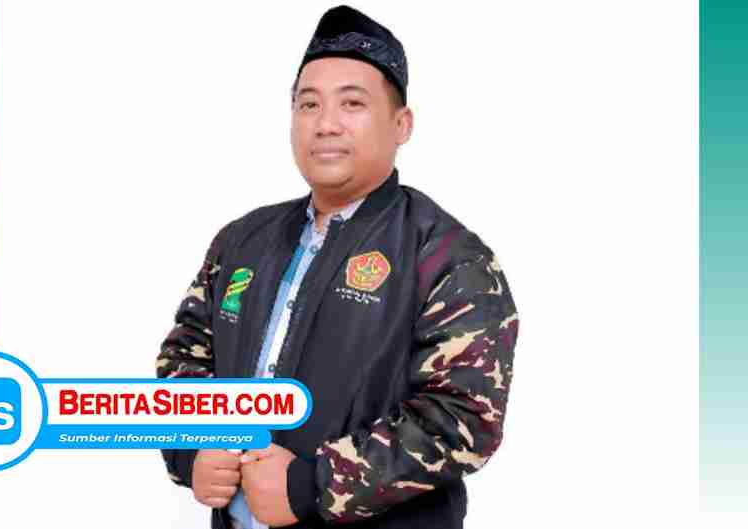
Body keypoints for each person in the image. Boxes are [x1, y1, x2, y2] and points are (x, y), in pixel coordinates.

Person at [155, 5, 519, 529]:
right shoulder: (241, 241)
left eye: (353, 103)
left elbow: (463, 418)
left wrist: (310, 485)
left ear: (401, 124)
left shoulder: (448, 256)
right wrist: (190, 449)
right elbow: (183, 357)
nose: (326, 124)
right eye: (309, 104)